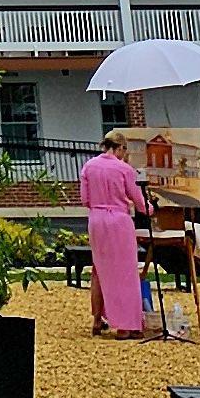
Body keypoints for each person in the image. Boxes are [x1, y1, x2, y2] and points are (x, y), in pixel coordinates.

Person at [77, 126, 150, 338]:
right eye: (124, 150)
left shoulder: (89, 167)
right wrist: (151, 208)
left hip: (97, 220)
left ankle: (97, 320)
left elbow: (85, 199)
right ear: (118, 148)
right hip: (118, 220)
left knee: (100, 269)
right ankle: (127, 324)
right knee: (125, 272)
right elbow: (138, 200)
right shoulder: (124, 169)